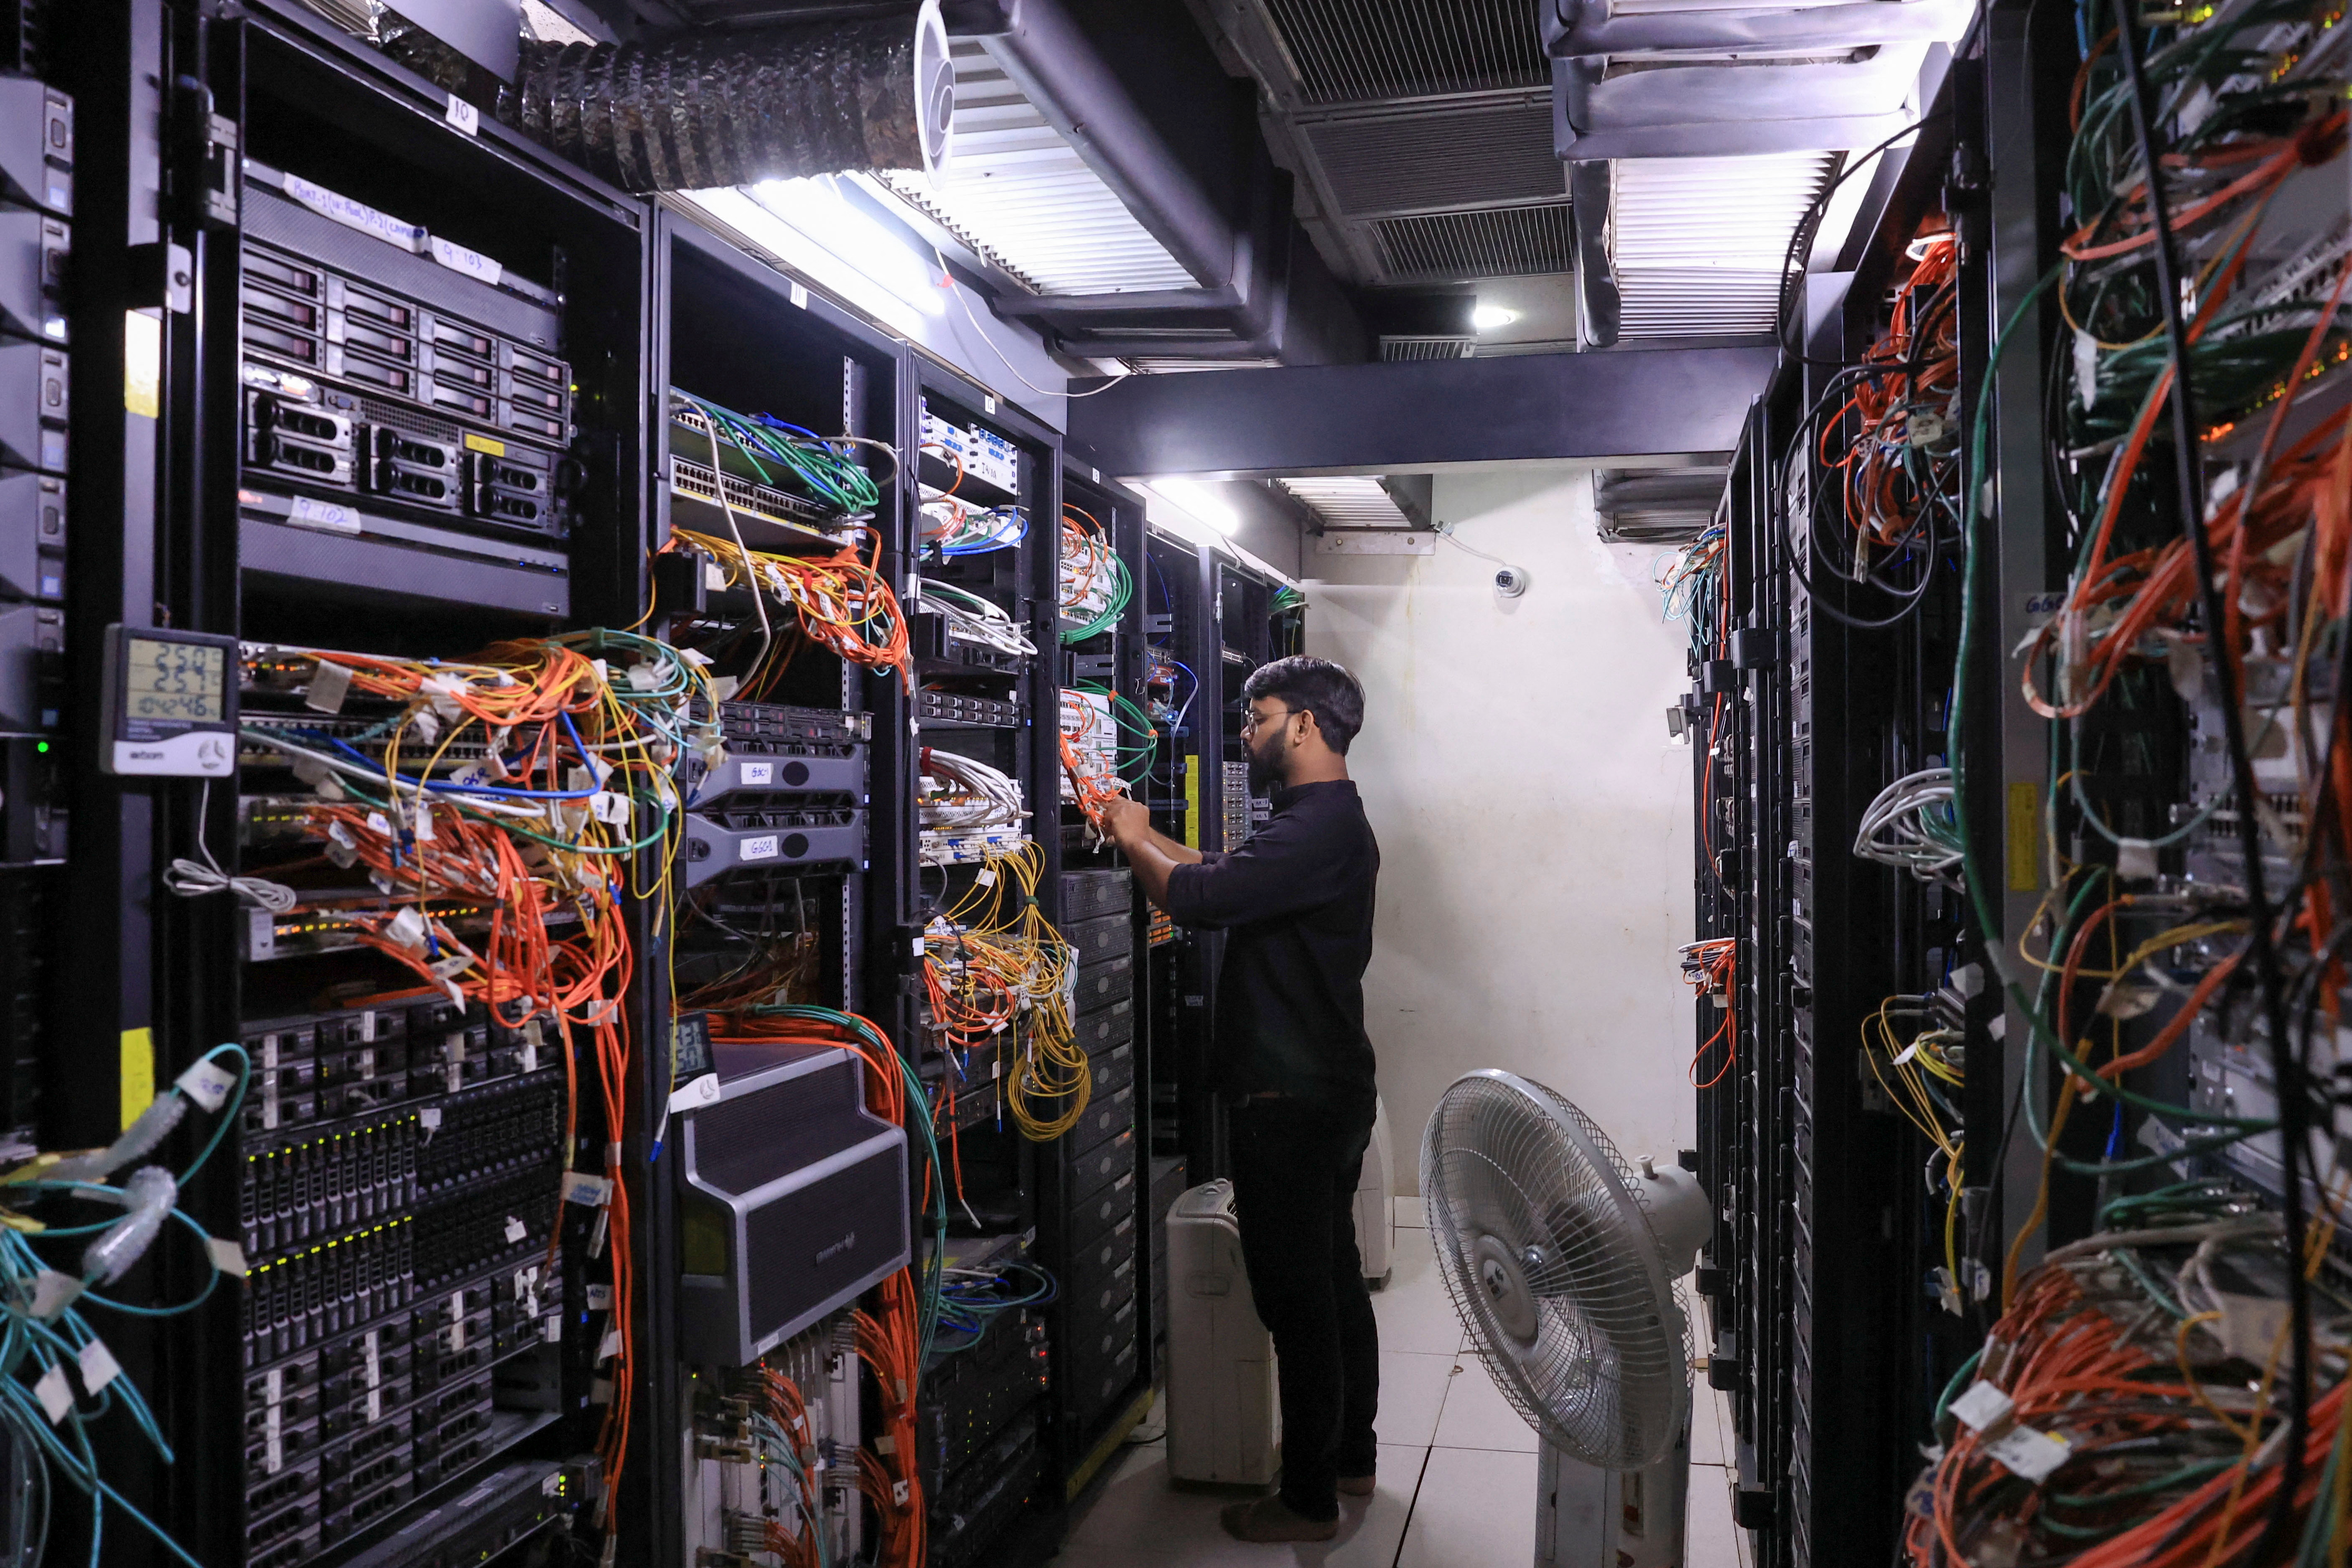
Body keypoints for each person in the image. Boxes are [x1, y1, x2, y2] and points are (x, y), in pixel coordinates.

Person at [1098, 654, 1382, 1544]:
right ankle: (1350, 1456)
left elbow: (1203, 896)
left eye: (1258, 718)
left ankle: (1306, 1500)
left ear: (1303, 724)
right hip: (1323, 1089)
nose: (1247, 734)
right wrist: (1144, 840)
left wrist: (1138, 833)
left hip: (1288, 1098)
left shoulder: (1320, 827)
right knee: (1332, 1283)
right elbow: (1222, 870)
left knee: (1297, 1300)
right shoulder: (1318, 822)